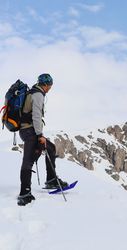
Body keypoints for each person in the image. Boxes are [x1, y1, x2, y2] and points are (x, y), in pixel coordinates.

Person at [17, 73, 68, 206]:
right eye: (49, 86)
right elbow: (37, 116)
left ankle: (51, 179)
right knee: (28, 160)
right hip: (29, 131)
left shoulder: (34, 92)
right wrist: (40, 135)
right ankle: (24, 193)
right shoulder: (38, 95)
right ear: (45, 84)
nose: (50, 88)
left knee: (50, 148)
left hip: (28, 130)